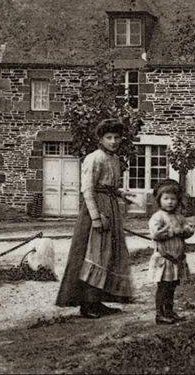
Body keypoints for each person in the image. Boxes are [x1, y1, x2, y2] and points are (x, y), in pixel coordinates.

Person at [55, 118, 135, 318]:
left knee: (108, 255)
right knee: (94, 255)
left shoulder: (115, 159)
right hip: (96, 211)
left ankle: (98, 301)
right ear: (101, 139)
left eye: (117, 137)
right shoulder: (94, 158)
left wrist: (120, 194)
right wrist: (96, 217)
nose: (114, 141)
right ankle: (87, 304)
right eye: (109, 137)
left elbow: (108, 186)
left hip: (111, 208)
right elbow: (87, 190)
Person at [147, 179, 194, 325]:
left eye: (173, 199)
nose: (170, 202)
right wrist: (173, 231)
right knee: (163, 287)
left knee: (172, 286)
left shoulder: (179, 217)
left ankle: (169, 311)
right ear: (159, 200)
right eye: (166, 198)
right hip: (164, 259)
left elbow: (188, 230)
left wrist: (187, 230)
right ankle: (160, 314)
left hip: (176, 259)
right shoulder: (158, 217)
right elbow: (155, 234)